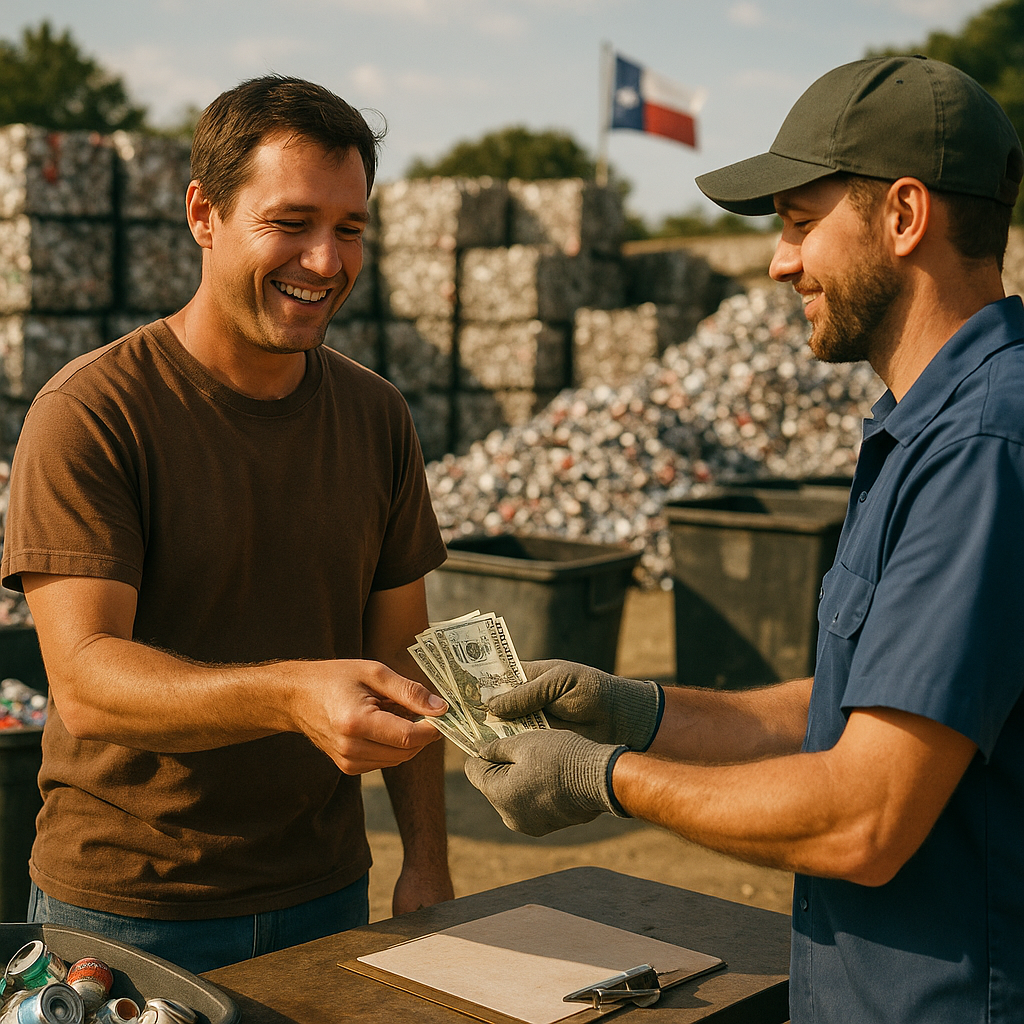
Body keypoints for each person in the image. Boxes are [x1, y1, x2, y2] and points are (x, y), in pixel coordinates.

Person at [465, 55, 1024, 1023]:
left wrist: (605, 778)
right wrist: (636, 708)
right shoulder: (924, 427)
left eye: (801, 223)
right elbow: (859, 709)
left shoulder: (983, 446)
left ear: (902, 215)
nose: (778, 263)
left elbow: (866, 815)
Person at [0, 75, 455, 973]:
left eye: (350, 229)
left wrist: (428, 865)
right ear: (204, 214)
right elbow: (87, 682)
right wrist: (290, 694)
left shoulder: (377, 417)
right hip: (130, 912)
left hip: (327, 892)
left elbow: (404, 653)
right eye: (290, 224)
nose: (326, 262)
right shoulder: (91, 412)